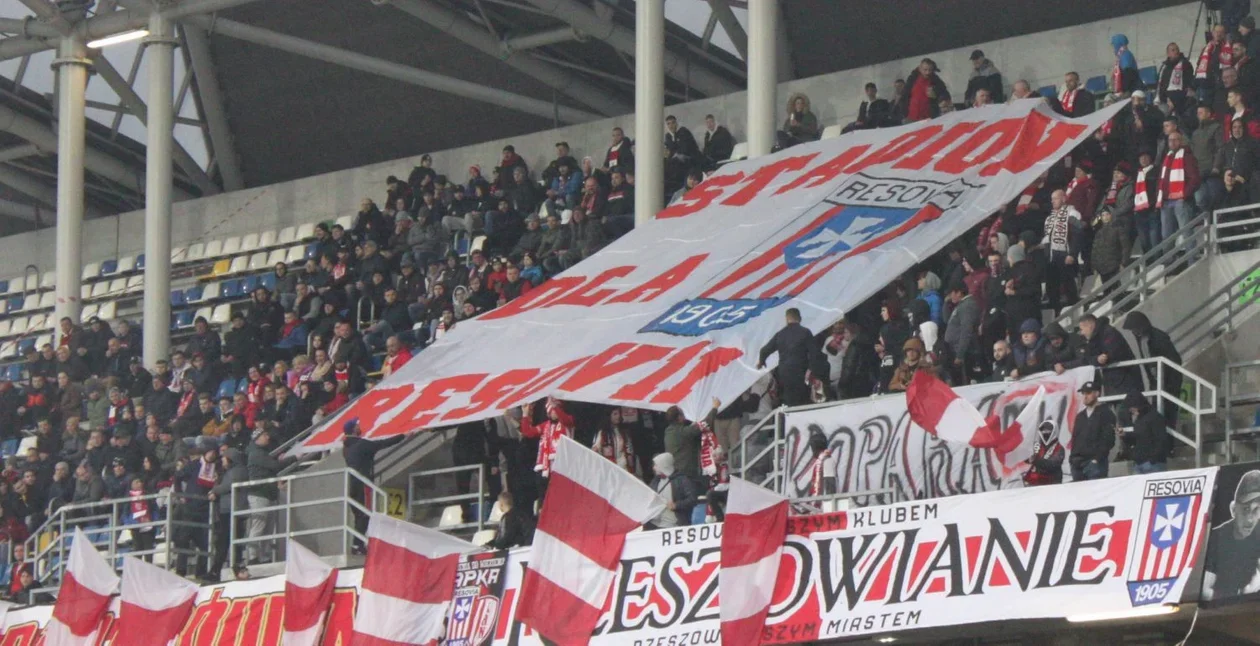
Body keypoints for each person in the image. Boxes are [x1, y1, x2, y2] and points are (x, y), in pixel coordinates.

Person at [342, 419, 406, 552]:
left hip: (352, 484)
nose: (359, 427)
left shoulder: (346, 447)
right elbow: (383, 443)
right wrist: (404, 435)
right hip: (363, 483)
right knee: (365, 514)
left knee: (359, 515)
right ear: (353, 429)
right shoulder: (361, 444)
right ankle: (357, 545)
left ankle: (357, 544)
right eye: (357, 425)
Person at [1203, 470, 1260, 601]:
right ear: (1233, 509)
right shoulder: (1216, 538)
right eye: (1245, 509)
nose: (1250, 519)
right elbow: (1204, 591)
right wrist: (1244, 593)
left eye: (1256, 509)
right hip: (1225, 609)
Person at [1122, 311, 1184, 431]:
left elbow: (1174, 360)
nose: (1134, 332)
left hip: (1169, 382)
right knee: (1157, 414)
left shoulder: (1159, 337)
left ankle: (1168, 439)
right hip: (1156, 382)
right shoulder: (1140, 338)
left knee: (1168, 414)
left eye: (1135, 329)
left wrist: (1166, 381)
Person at [756, 308, 817, 407]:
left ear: (786, 319)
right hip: (801, 370)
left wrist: (761, 362)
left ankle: (790, 413)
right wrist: (812, 369)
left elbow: (764, 350)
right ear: (800, 318)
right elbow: (814, 353)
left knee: (789, 397)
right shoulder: (805, 332)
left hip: (784, 372)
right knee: (803, 398)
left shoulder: (780, 334)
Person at [1042, 189, 1083, 314]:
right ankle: (1056, 313)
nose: (1052, 201)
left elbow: (1077, 235)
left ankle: (1075, 311)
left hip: (1066, 254)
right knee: (1052, 286)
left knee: (1069, 285)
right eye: (1052, 199)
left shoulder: (1072, 213)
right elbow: (1047, 238)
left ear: (1064, 199)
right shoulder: (1050, 218)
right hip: (1052, 256)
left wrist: (1072, 254)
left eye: (1055, 198)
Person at [1069, 381, 1115, 481]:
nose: (1085, 396)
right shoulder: (1080, 416)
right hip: (1077, 464)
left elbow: (1108, 439)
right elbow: (1075, 439)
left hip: (1095, 464)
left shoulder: (1106, 413)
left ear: (1097, 393)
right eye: (1083, 393)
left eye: (1088, 393)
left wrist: (1096, 459)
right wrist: (1072, 459)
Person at [1123, 392, 1170, 474]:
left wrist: (1153, 459)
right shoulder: (1139, 420)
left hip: (1153, 464)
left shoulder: (1155, 417)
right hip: (1140, 463)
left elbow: (1161, 440)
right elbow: (1138, 438)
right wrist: (1124, 435)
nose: (1131, 410)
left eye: (1132, 407)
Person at [647, 453, 697, 530]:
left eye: (656, 465)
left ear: (664, 465)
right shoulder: (656, 481)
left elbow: (692, 499)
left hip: (674, 524)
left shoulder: (682, 480)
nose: (653, 468)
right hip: (655, 524)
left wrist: (676, 505)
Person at [1156, 42, 1195, 117]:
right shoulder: (1164, 67)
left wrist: (1174, 101)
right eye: (1173, 50)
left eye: (1177, 49)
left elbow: (1188, 84)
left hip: (1180, 99)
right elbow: (1161, 86)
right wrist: (1166, 99)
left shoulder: (1185, 64)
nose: (1176, 51)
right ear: (1168, 54)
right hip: (1166, 100)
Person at [1023, 420, 1065, 486]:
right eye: (1044, 430)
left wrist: (1035, 460)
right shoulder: (1038, 446)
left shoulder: (1059, 448)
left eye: (1048, 430)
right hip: (1034, 483)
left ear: (1054, 431)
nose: (1045, 432)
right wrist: (1026, 459)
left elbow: (1053, 464)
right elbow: (1028, 460)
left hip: (1051, 484)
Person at [803, 431, 836, 496]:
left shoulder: (827, 460)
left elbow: (830, 483)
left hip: (824, 500)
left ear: (816, 447)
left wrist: (829, 501)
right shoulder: (821, 460)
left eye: (812, 447)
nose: (812, 451)